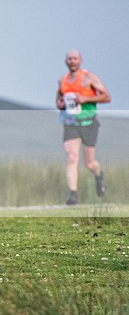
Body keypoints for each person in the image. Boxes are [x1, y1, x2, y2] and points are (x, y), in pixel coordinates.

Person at [55, 49, 111, 205]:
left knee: (89, 163)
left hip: (88, 123)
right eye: (69, 59)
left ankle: (98, 175)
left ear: (80, 61)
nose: (72, 61)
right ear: (65, 61)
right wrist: (59, 103)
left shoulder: (89, 78)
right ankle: (73, 195)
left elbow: (106, 96)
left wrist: (85, 99)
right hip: (70, 122)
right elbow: (59, 98)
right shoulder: (62, 80)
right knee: (72, 157)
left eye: (75, 58)